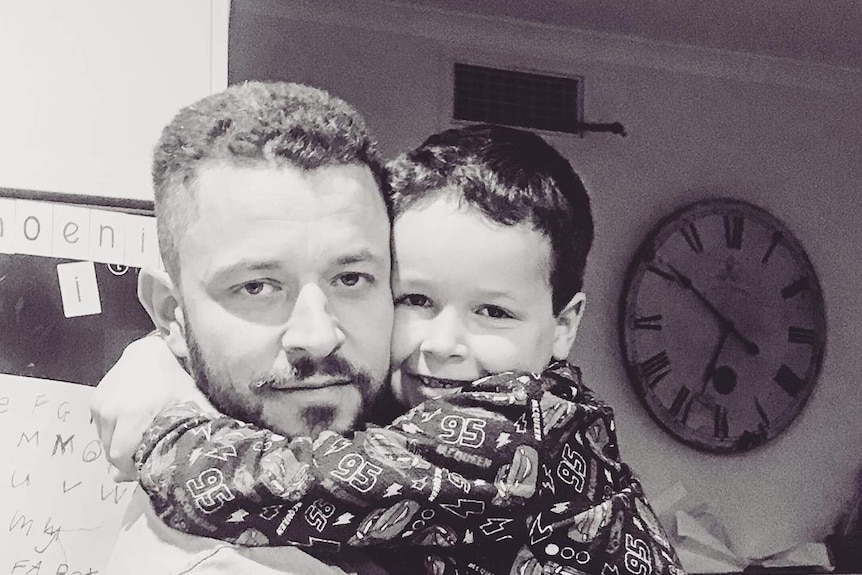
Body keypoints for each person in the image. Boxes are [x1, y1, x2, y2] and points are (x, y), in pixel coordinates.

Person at [94, 81, 683, 575]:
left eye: (351, 278)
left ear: (563, 326)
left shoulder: (514, 423)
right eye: (417, 298)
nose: (444, 345)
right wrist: (153, 358)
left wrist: (166, 432)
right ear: (173, 313)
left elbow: (302, 484)